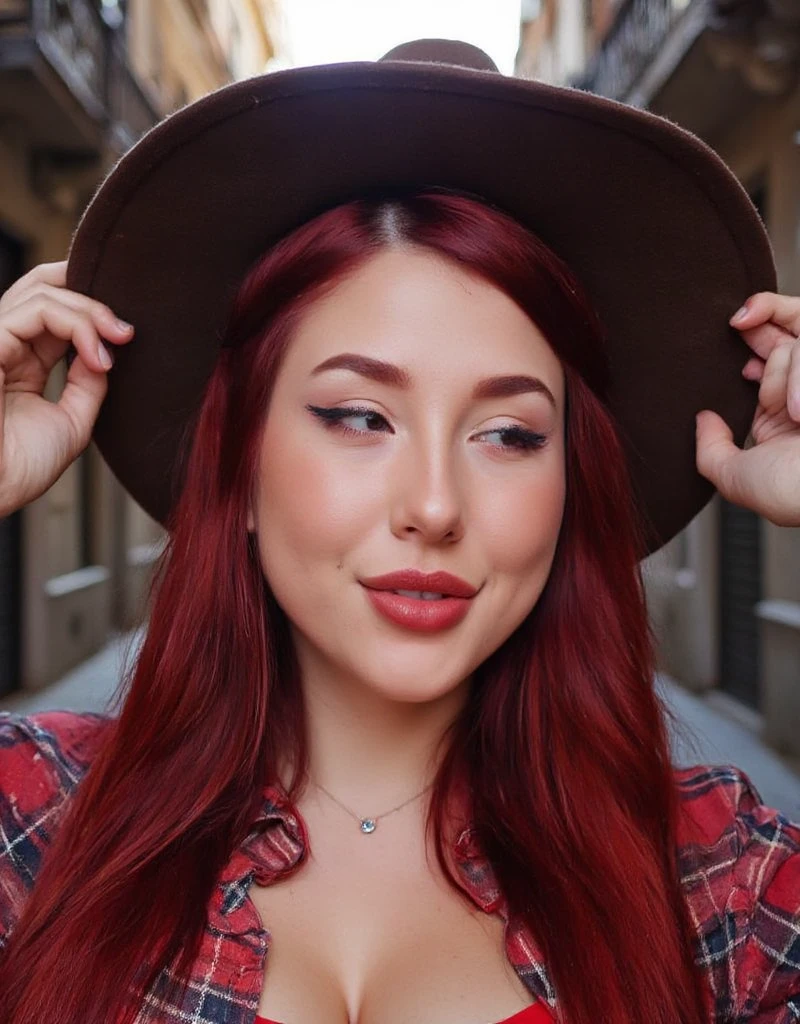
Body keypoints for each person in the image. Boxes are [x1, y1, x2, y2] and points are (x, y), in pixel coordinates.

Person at [0, 38, 797, 1024]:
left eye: (507, 433)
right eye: (358, 416)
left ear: (569, 488)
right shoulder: (35, 818)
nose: (433, 504)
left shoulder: (717, 873)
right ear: (239, 467)